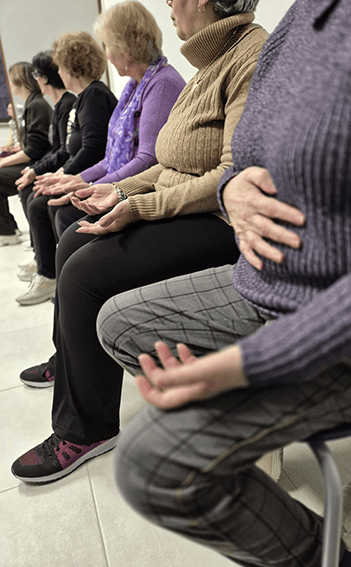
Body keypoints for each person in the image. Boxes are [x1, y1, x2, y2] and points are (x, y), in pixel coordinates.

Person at [68, 0, 351, 566]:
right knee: (115, 321)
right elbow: (239, 161)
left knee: (153, 461)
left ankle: (341, 555)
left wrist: (249, 366)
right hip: (271, 281)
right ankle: (257, 450)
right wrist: (231, 188)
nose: (168, 3)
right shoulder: (301, 20)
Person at [11, 0, 268, 482]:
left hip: (219, 223)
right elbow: (165, 163)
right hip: (182, 206)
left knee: (84, 274)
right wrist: (118, 190)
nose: (168, 2)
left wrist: (138, 205)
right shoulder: (207, 64)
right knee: (72, 243)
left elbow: (231, 177)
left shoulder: (250, 57)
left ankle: (85, 429)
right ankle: (74, 369)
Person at [16, 1, 185, 306]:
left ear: (126, 50)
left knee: (65, 213)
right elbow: (110, 158)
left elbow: (148, 160)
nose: (105, 54)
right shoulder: (135, 87)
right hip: (128, 183)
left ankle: (82, 291)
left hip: (145, 190)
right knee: (60, 207)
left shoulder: (161, 85)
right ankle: (70, 291)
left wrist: (92, 186)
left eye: (108, 46)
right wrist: (77, 179)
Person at [14, 32, 117, 304]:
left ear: (72, 67)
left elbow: (92, 150)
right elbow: (70, 150)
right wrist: (56, 173)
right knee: (38, 198)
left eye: (60, 66)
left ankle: (56, 276)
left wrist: (64, 175)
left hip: (97, 176)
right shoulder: (85, 97)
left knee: (43, 204)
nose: (58, 72)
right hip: (85, 172)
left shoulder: (94, 95)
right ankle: (50, 269)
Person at [12, 51, 76, 295]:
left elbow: (65, 152)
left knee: (36, 201)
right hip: (59, 166)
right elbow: (56, 150)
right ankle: (42, 257)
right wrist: (35, 170)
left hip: (72, 170)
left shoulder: (67, 104)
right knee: (27, 191)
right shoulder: (59, 105)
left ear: (45, 78)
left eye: (37, 75)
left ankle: (48, 272)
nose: (35, 80)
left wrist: (47, 173)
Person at [0, 62, 52, 246]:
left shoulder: (36, 105)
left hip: (37, 164)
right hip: (35, 160)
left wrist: (2, 163)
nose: (9, 84)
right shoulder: (32, 104)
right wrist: (15, 151)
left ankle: (7, 231)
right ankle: (9, 228)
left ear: (20, 81)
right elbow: (33, 144)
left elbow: (32, 151)